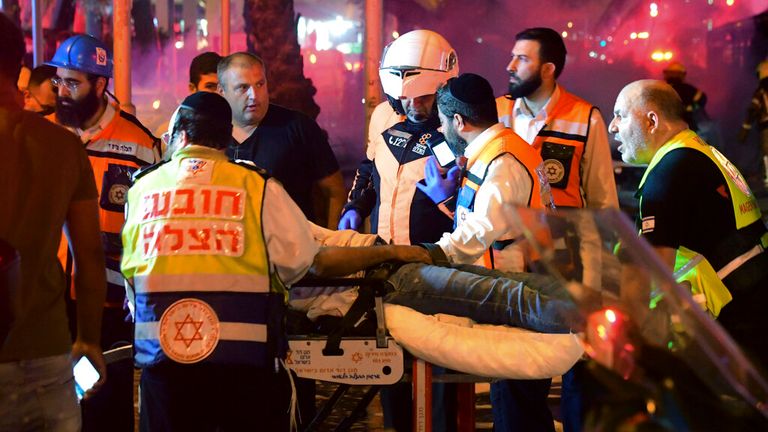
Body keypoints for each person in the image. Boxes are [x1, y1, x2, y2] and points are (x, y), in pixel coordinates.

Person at [121, 91, 415, 431]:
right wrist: (386, 252)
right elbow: (306, 263)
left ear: (180, 136)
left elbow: (132, 275)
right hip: (244, 366)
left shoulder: (141, 190)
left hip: (164, 362)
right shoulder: (257, 187)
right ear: (225, 139)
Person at [495, 27, 618, 432]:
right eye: (512, 56)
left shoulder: (586, 118)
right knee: (514, 370)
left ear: (548, 68)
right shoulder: (497, 114)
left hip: (566, 263)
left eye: (522, 59)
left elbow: (602, 203)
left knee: (576, 365)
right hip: (509, 258)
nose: (510, 66)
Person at [46, 33, 160, 432]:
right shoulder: (45, 136)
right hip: (49, 300)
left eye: (72, 83)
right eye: (58, 81)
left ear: (100, 84)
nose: (61, 91)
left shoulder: (140, 145)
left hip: (112, 305)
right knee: (52, 404)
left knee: (104, 408)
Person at [610, 79, 768, 366]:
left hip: (732, 337)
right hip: (752, 310)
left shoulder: (667, 175)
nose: (612, 126)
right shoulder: (699, 152)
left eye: (619, 114)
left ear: (651, 121)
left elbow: (643, 281)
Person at [0, 13, 107, 431]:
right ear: (19, 68)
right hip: (45, 352)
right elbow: (89, 254)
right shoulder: (62, 147)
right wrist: (90, 339)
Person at [339, 29, 460, 245]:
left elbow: (477, 215)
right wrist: (355, 207)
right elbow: (370, 171)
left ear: (442, 91)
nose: (413, 105)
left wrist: (449, 199)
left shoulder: (457, 130)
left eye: (423, 97)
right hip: (383, 251)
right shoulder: (385, 117)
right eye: (404, 97)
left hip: (434, 259)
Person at [218, 52, 346, 229]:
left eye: (260, 84)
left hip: (295, 250)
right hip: (231, 250)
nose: (254, 95)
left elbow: (335, 192)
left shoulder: (297, 127)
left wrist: (332, 241)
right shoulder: (210, 134)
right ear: (221, 92)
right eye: (242, 88)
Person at [739, 60, 768, 186]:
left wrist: (745, 129)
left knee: (767, 152)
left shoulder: (761, 90)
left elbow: (753, 110)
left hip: (766, 126)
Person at [662, 61, 707, 132]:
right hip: (687, 128)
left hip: (669, 128)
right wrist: (690, 108)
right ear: (682, 75)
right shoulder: (690, 90)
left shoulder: (661, 89)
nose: (673, 75)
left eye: (674, 73)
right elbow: (702, 100)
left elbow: (702, 99)